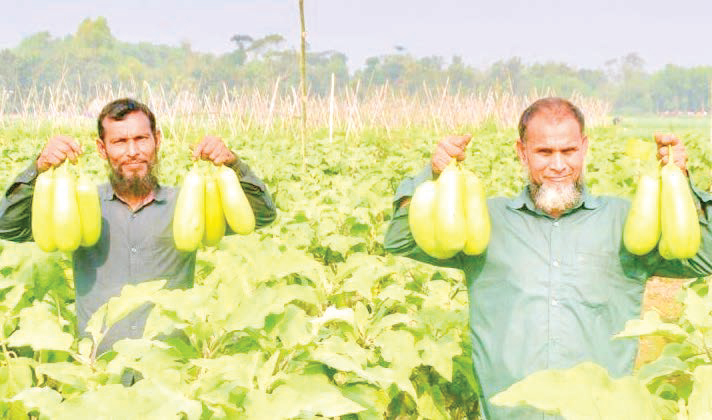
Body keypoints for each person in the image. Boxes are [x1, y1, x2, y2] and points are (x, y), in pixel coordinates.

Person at [384, 97, 712, 419]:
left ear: (584, 148)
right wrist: (432, 174)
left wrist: (679, 181)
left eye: (568, 151)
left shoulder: (626, 223)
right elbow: (400, 238)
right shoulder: (483, 224)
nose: (558, 165)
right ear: (521, 152)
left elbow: (704, 258)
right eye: (544, 152)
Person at [0, 98, 277, 355]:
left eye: (141, 139)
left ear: (157, 141)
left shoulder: (187, 204)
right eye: (119, 141)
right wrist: (37, 169)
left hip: (167, 364)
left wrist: (233, 165)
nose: (132, 152)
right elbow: (8, 227)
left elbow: (262, 215)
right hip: (101, 365)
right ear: (102, 149)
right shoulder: (79, 204)